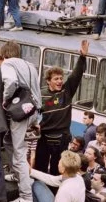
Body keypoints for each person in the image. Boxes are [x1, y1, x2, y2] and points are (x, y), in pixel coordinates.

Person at [36, 40, 88, 174]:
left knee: (58, 168)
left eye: (60, 78)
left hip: (62, 137)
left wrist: (82, 57)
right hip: (44, 136)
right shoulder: (40, 94)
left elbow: (76, 75)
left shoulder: (67, 91)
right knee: (40, 166)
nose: (59, 81)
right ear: (48, 81)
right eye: (56, 79)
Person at [1, 41, 41, 202]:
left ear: (5, 54)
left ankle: (26, 196)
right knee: (8, 141)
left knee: (19, 154)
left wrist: (5, 99)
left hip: (21, 113)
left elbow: (10, 82)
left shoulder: (7, 63)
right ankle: (18, 174)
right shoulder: (30, 65)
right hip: (34, 111)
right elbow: (37, 90)